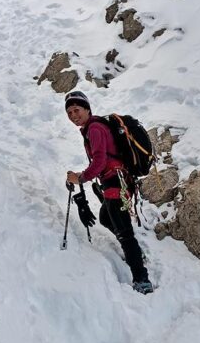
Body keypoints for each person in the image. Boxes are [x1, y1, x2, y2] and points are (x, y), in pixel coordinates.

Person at [64, 90, 154, 294]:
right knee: (106, 217)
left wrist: (80, 177)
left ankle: (142, 279)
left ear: (87, 109)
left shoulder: (95, 128)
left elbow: (100, 162)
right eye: (69, 113)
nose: (73, 115)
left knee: (124, 232)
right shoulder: (93, 128)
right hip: (116, 181)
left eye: (76, 110)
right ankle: (135, 254)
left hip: (116, 183)